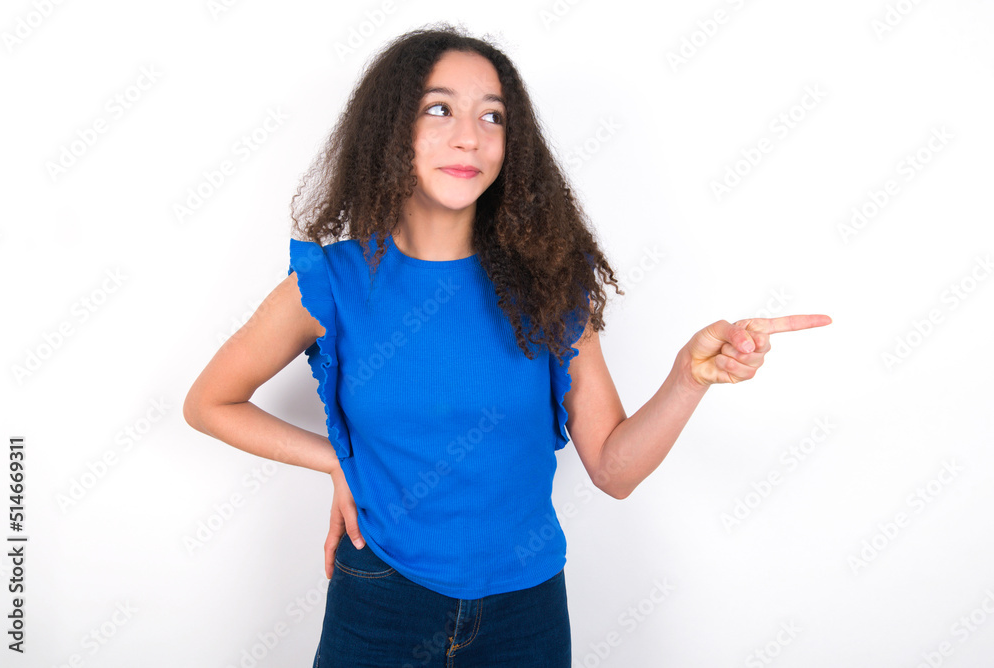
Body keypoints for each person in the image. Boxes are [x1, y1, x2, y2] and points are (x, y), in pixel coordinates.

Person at [182, 23, 832, 668]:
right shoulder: (330, 284)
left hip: (527, 613)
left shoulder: (550, 283)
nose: (469, 135)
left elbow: (614, 470)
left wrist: (689, 378)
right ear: (390, 130)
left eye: (492, 117)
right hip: (380, 600)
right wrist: (335, 461)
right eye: (439, 110)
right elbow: (210, 402)